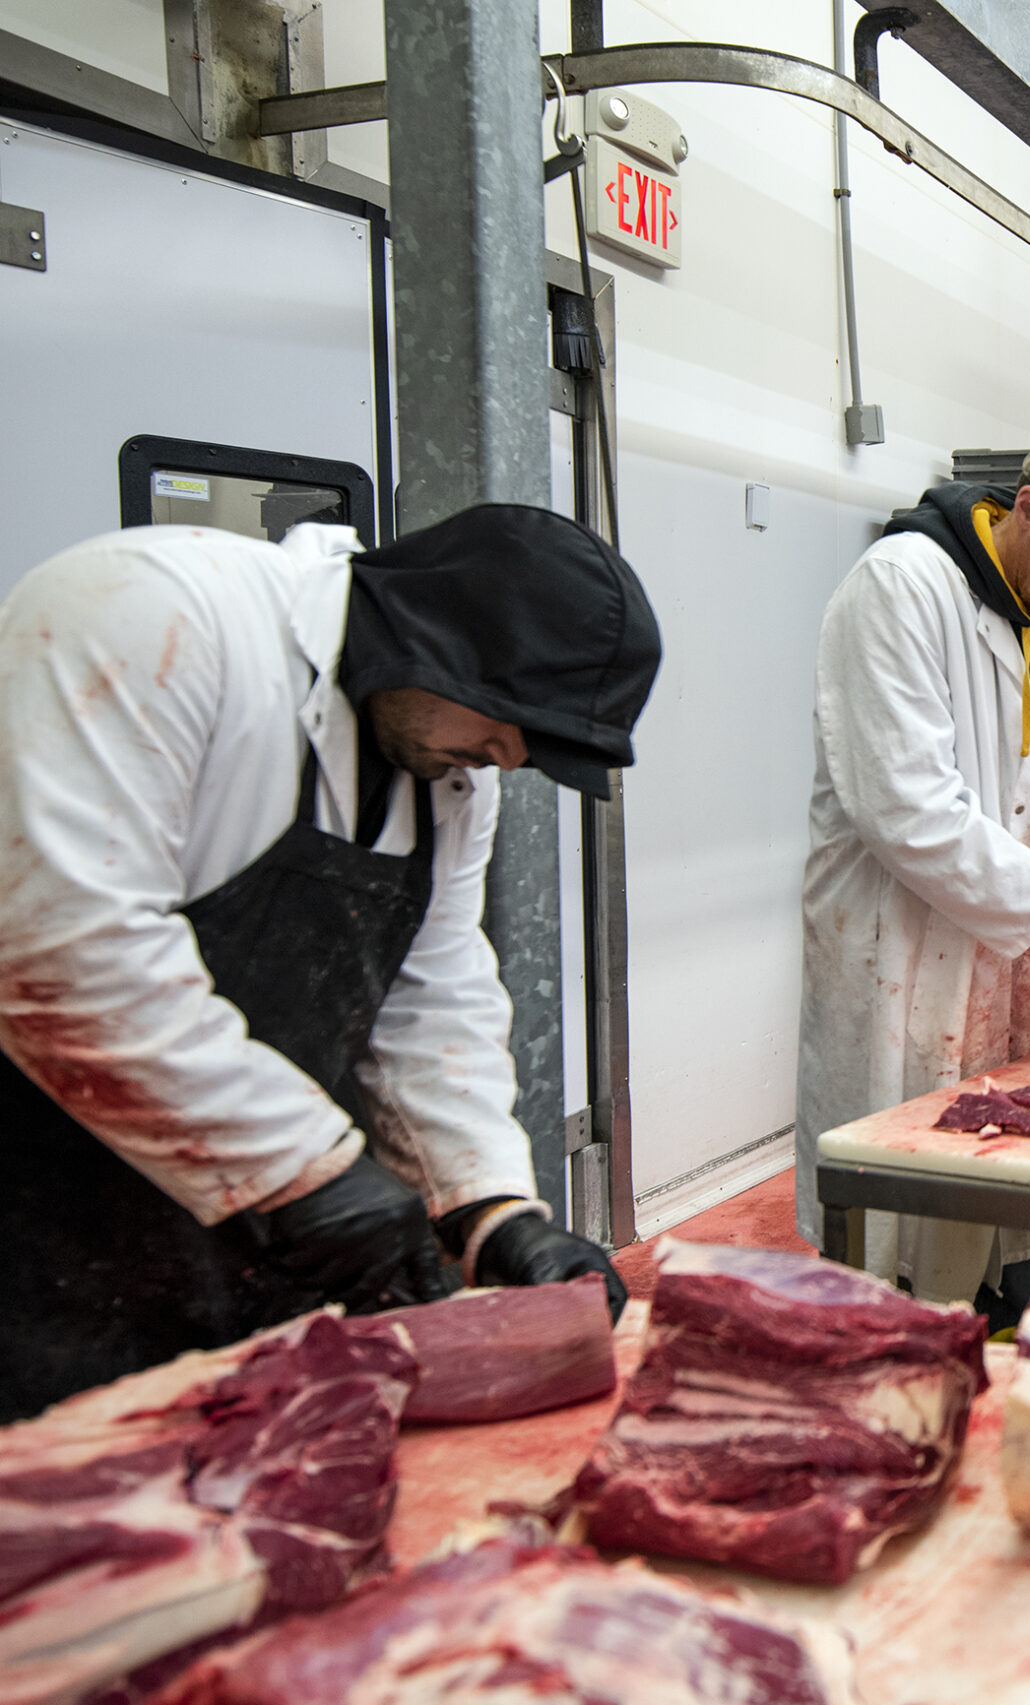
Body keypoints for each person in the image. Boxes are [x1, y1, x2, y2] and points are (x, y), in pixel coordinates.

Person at [0, 506, 659, 1420]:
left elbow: (432, 997)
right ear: (430, 640)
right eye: (510, 723)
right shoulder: (157, 613)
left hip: (237, 1238)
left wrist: (488, 1208)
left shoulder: (450, 773)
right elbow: (63, 950)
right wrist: (313, 1174)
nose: (509, 757)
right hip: (40, 1214)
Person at [796, 428, 1030, 1326]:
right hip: (902, 951)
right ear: (1027, 507)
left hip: (1015, 967)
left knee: (1003, 1204)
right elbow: (907, 806)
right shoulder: (902, 586)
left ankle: (997, 1320)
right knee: (895, 1234)